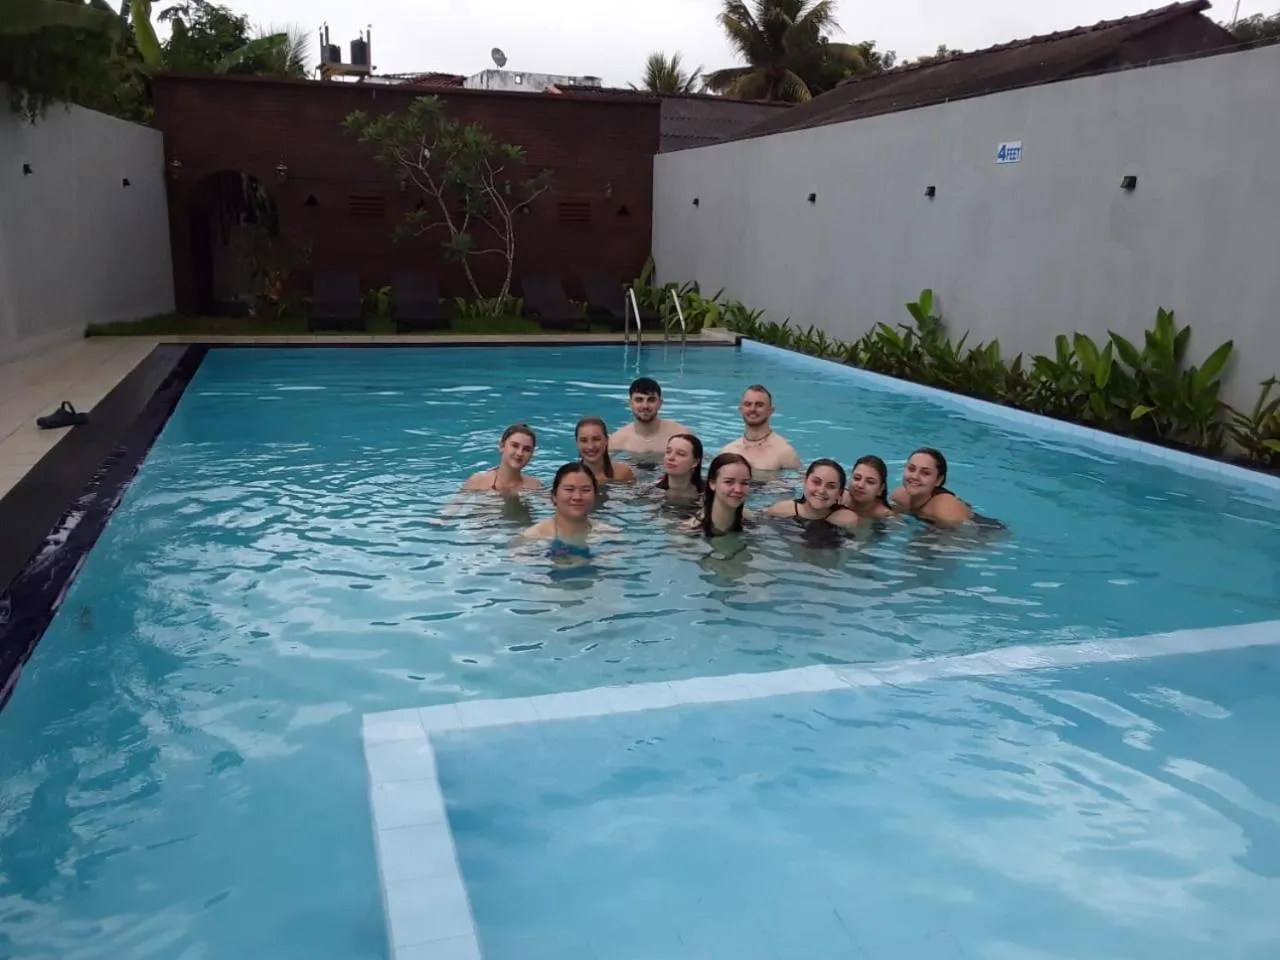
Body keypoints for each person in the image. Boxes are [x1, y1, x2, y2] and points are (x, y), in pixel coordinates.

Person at [519, 462, 618, 559]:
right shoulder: (532, 538)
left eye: (586, 490)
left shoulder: (609, 535)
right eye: (569, 489)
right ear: (554, 496)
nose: (577, 497)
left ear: (595, 496)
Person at [718, 384, 802, 472]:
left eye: (759, 405)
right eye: (748, 404)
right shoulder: (728, 451)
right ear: (741, 410)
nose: (752, 409)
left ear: (771, 411)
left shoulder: (785, 453)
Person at [889, 447, 973, 527]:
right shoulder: (899, 496)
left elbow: (967, 534)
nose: (915, 476)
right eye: (911, 469)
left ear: (938, 480)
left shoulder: (945, 510)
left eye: (925, 473)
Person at [764, 459, 860, 528]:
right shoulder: (782, 510)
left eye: (831, 486)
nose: (821, 490)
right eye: (816, 482)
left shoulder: (847, 519)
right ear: (805, 481)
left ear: (839, 493)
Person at [608, 377, 690, 457]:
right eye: (639, 400)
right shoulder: (617, 440)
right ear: (630, 404)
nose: (645, 406)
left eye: (651, 400)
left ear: (660, 403)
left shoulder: (680, 435)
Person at [685, 452, 755, 536]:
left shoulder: (751, 522)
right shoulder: (690, 530)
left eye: (744, 483)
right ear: (712, 483)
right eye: (729, 482)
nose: (738, 490)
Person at [460, 423, 541, 494]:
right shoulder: (477, 482)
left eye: (527, 449)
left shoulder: (535, 487)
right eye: (515, 445)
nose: (519, 453)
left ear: (531, 454)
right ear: (501, 446)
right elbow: (456, 506)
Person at [575, 416, 635, 485]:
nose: (590, 447)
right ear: (577, 443)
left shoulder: (622, 474)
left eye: (596, 439)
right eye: (584, 440)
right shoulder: (570, 479)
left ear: (606, 440)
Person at [841, 455, 896, 520]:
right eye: (857, 478)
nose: (860, 485)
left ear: (880, 489)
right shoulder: (837, 498)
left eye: (870, 482)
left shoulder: (886, 516)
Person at [656, 433, 704, 503]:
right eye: (668, 452)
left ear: (695, 462)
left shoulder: (708, 493)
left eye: (681, 454)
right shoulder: (649, 492)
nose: (670, 457)